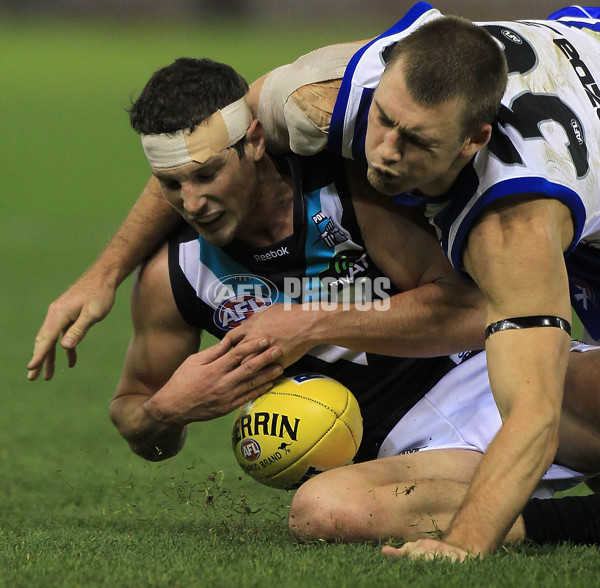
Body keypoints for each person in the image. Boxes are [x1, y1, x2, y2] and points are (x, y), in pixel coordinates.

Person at [27, 4, 600, 559]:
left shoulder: (360, 190)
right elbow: (136, 413)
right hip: (402, 456)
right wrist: (163, 409)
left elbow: (487, 327)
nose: (192, 203)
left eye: (208, 176)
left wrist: (312, 320)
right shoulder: (310, 109)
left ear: (255, 143)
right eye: (170, 185)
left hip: (481, 375)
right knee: (322, 512)